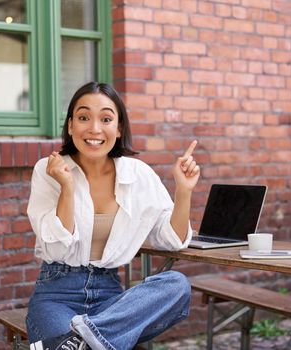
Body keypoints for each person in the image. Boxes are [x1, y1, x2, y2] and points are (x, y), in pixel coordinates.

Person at [26, 82, 200, 350]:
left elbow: (173, 241)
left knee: (176, 285)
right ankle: (95, 340)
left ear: (119, 128)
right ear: (71, 125)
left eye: (106, 119)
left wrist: (184, 192)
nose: (95, 129)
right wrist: (67, 188)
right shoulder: (49, 170)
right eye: (84, 118)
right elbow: (57, 246)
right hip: (57, 295)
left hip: (111, 299)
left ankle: (84, 338)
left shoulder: (139, 174)